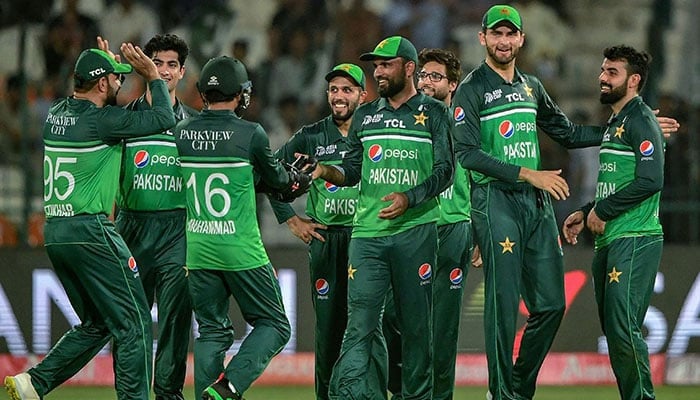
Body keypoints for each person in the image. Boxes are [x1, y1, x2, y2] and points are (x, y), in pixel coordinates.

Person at [451, 6, 678, 400]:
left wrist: (627, 127)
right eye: (496, 34)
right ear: (482, 38)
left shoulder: (531, 87)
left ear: (521, 39)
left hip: (534, 204)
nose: (504, 41)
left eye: (511, 34)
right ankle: (501, 392)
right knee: (503, 304)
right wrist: (528, 174)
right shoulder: (471, 89)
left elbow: (570, 133)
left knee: (552, 305)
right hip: (496, 199)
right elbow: (467, 153)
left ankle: (517, 387)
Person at [3, 38, 176, 400]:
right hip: (91, 230)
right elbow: (163, 118)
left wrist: (104, 65)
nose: (121, 84)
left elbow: (95, 95)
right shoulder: (102, 121)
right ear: (101, 84)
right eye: (117, 79)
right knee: (135, 322)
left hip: (56, 232)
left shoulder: (56, 114)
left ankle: (35, 382)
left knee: (100, 323)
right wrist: (152, 77)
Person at [313, 36, 454, 400]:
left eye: (386, 64)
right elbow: (354, 170)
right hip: (368, 235)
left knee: (415, 328)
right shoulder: (366, 114)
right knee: (358, 326)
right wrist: (325, 171)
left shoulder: (434, 113)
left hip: (415, 231)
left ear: (408, 68)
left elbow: (445, 172)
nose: (378, 71)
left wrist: (410, 198)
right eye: (376, 65)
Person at [173, 55, 309, 400]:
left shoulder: (183, 133)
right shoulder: (250, 132)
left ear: (204, 92)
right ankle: (226, 387)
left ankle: (207, 394)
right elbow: (278, 179)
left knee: (211, 332)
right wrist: (296, 178)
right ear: (240, 93)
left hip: (199, 247)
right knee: (275, 325)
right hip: (240, 248)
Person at [562, 45, 665, 400]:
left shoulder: (639, 119)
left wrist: (601, 212)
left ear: (633, 80)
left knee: (622, 329)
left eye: (612, 72)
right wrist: (588, 208)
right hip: (613, 239)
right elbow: (620, 182)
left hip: (635, 235)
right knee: (616, 331)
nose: (602, 78)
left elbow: (651, 180)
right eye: (603, 70)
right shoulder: (618, 121)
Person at [266, 63, 366, 399]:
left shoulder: (374, 133)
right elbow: (270, 174)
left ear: (362, 96)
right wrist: (290, 218)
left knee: (371, 330)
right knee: (329, 334)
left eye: (347, 90)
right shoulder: (310, 136)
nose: (339, 96)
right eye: (334, 89)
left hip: (367, 242)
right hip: (327, 241)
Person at [113, 33, 198, 400]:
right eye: (157, 63)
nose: (163, 71)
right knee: (129, 322)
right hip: (132, 227)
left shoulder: (194, 127)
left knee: (176, 320)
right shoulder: (124, 120)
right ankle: (131, 395)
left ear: (182, 72)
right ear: (144, 66)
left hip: (178, 230)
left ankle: (168, 394)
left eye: (170, 65)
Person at [416, 47, 478, 400]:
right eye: (423, 75)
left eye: (435, 77)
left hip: (454, 227)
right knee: (399, 322)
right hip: (412, 229)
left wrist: (482, 235)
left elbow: (480, 183)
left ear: (452, 84)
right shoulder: (407, 119)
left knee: (443, 330)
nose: (426, 82)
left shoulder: (467, 125)